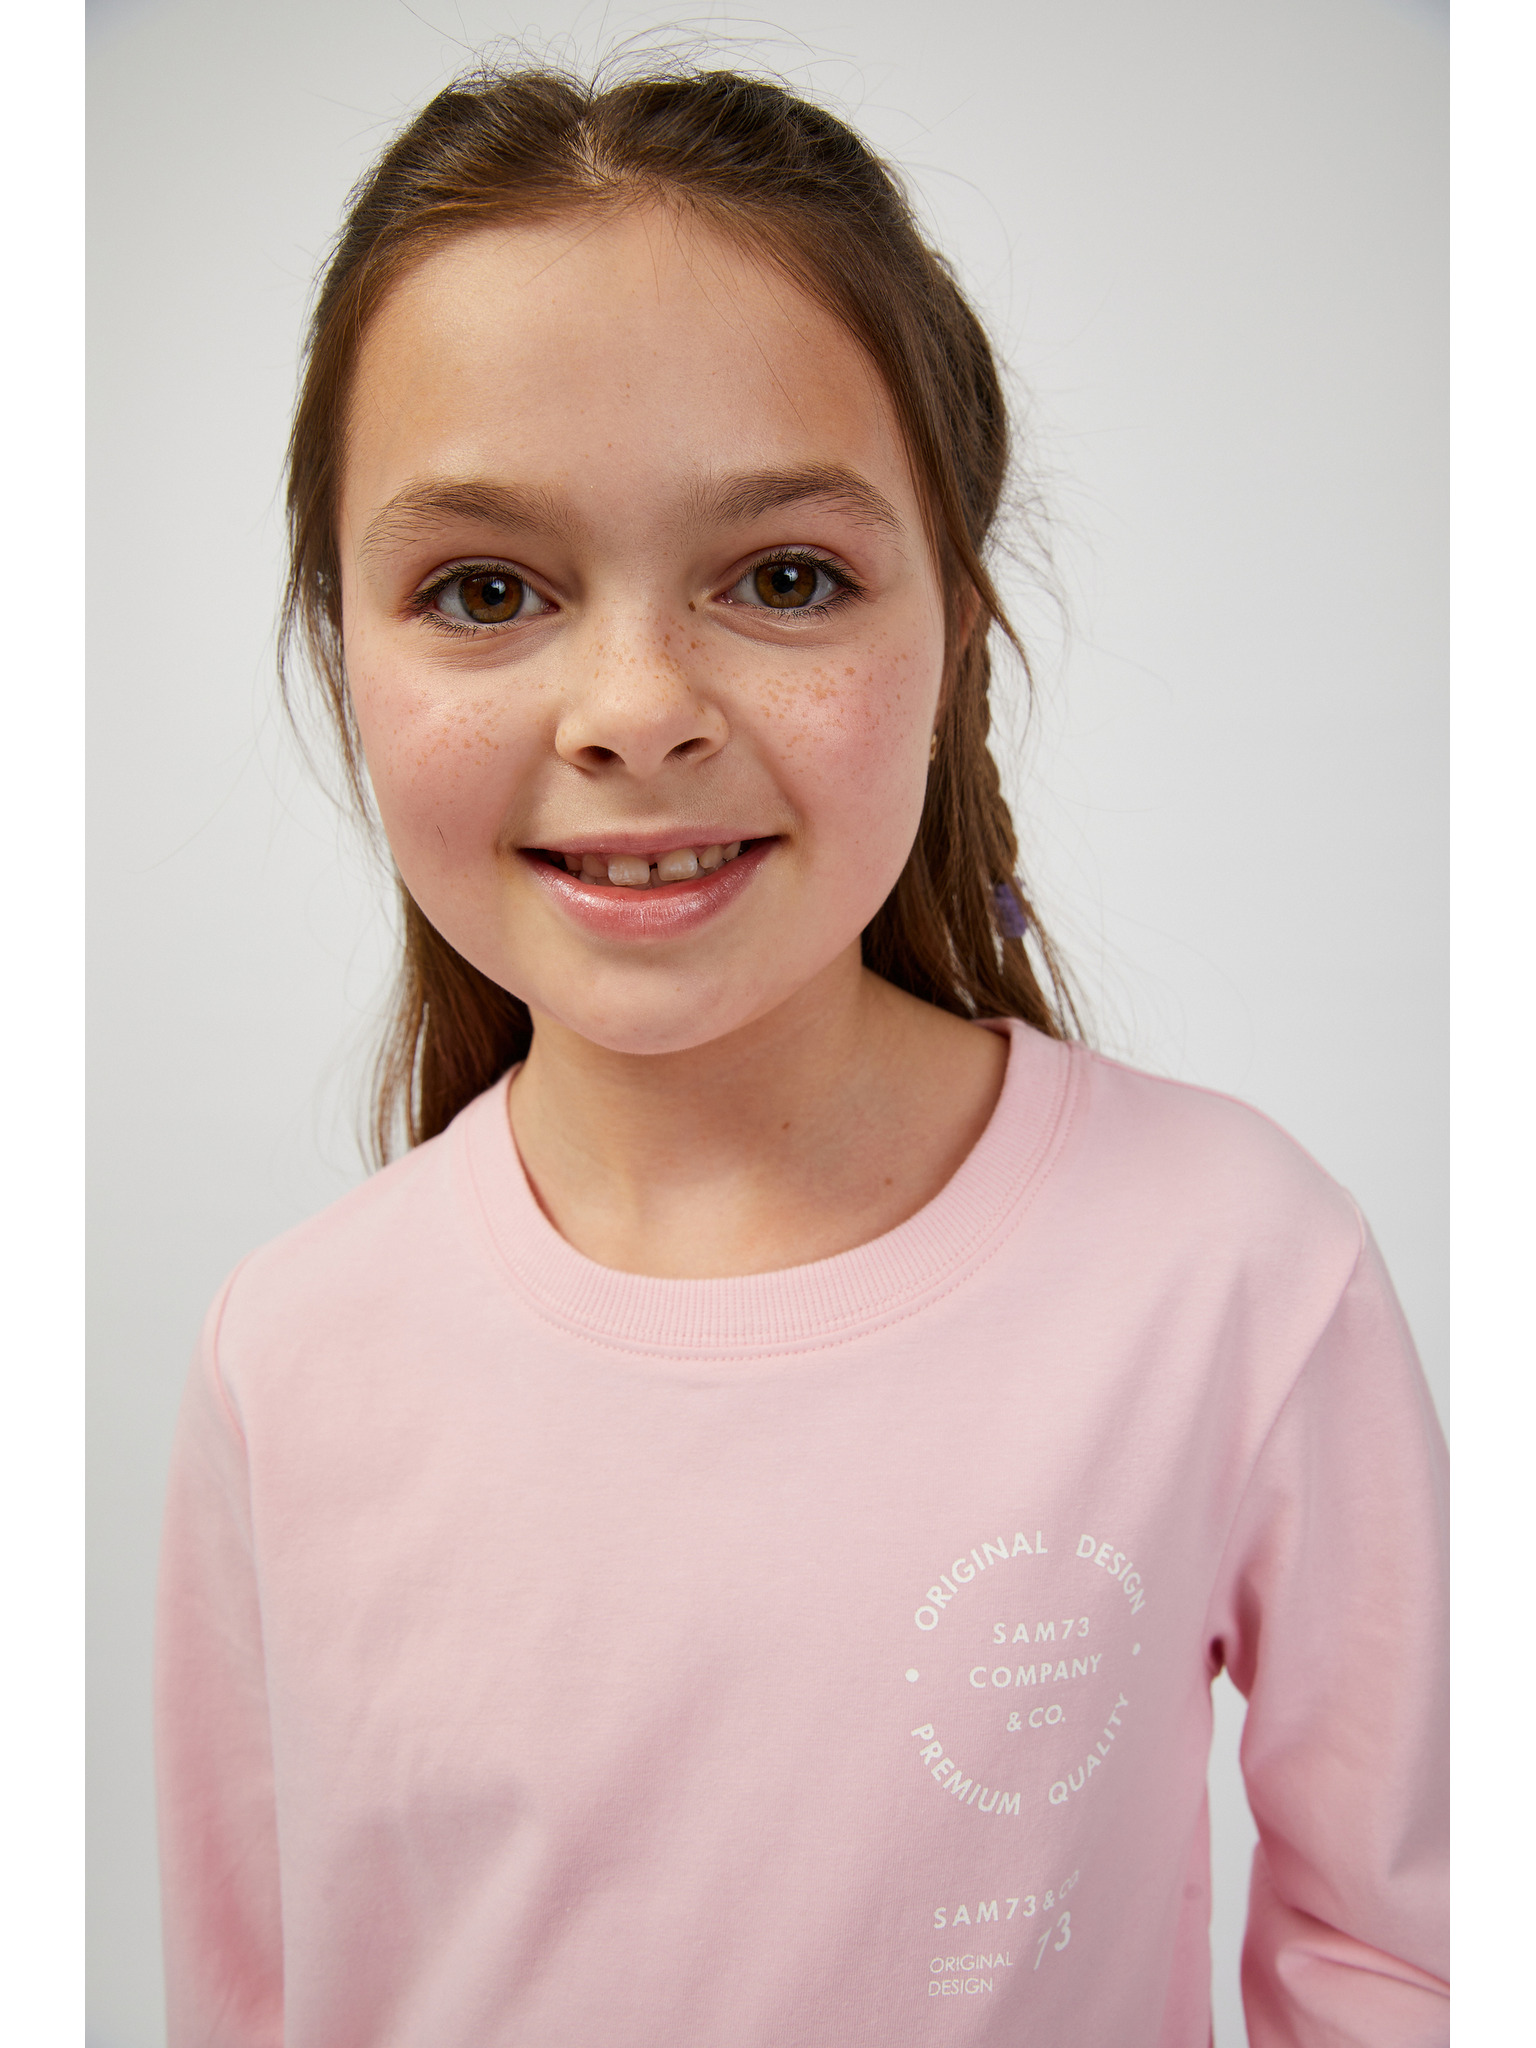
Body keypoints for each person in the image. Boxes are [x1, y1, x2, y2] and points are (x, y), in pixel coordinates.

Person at [153, 61, 1448, 2048]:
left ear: (956, 631)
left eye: (783, 578)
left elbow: (1414, 1959)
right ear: (346, 651)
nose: (635, 707)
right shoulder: (288, 1354)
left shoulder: (1235, 1271)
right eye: (485, 590)